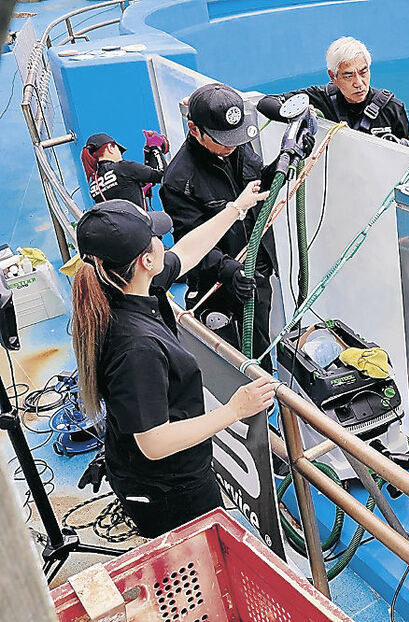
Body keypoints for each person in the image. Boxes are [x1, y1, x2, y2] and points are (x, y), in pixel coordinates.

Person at [71, 196, 278, 538]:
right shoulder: (136, 347)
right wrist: (235, 410)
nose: (162, 241)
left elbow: (186, 252)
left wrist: (236, 207)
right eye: (155, 236)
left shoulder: (120, 285)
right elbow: (154, 442)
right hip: (169, 491)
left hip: (161, 474)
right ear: (146, 260)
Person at [160, 83, 313, 366]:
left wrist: (286, 159)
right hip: (219, 285)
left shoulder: (235, 146)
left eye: (235, 137)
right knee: (235, 359)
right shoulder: (179, 181)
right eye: (222, 139)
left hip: (257, 272)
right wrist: (229, 271)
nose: (231, 145)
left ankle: (268, 401)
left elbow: (258, 185)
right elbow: (190, 243)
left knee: (260, 346)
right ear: (194, 129)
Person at [260, 36, 409, 146]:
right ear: (333, 76)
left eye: (363, 72)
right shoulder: (320, 98)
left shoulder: (392, 108)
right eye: (348, 75)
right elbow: (265, 103)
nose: (359, 83)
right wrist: (298, 114)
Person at [81, 132, 169, 208]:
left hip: (117, 226)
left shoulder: (94, 185)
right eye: (118, 150)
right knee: (165, 219)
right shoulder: (123, 167)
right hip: (139, 224)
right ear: (110, 148)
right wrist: (155, 148)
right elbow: (164, 175)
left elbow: (146, 180)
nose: (120, 154)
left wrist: (148, 153)